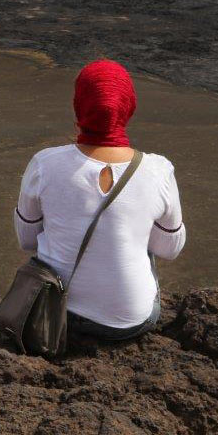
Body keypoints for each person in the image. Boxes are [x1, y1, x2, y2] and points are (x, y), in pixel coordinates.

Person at [13, 59, 186, 340]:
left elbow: (27, 240)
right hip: (133, 322)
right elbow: (170, 249)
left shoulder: (44, 164)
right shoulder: (159, 170)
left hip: (57, 313)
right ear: (129, 106)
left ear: (78, 105)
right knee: (143, 238)